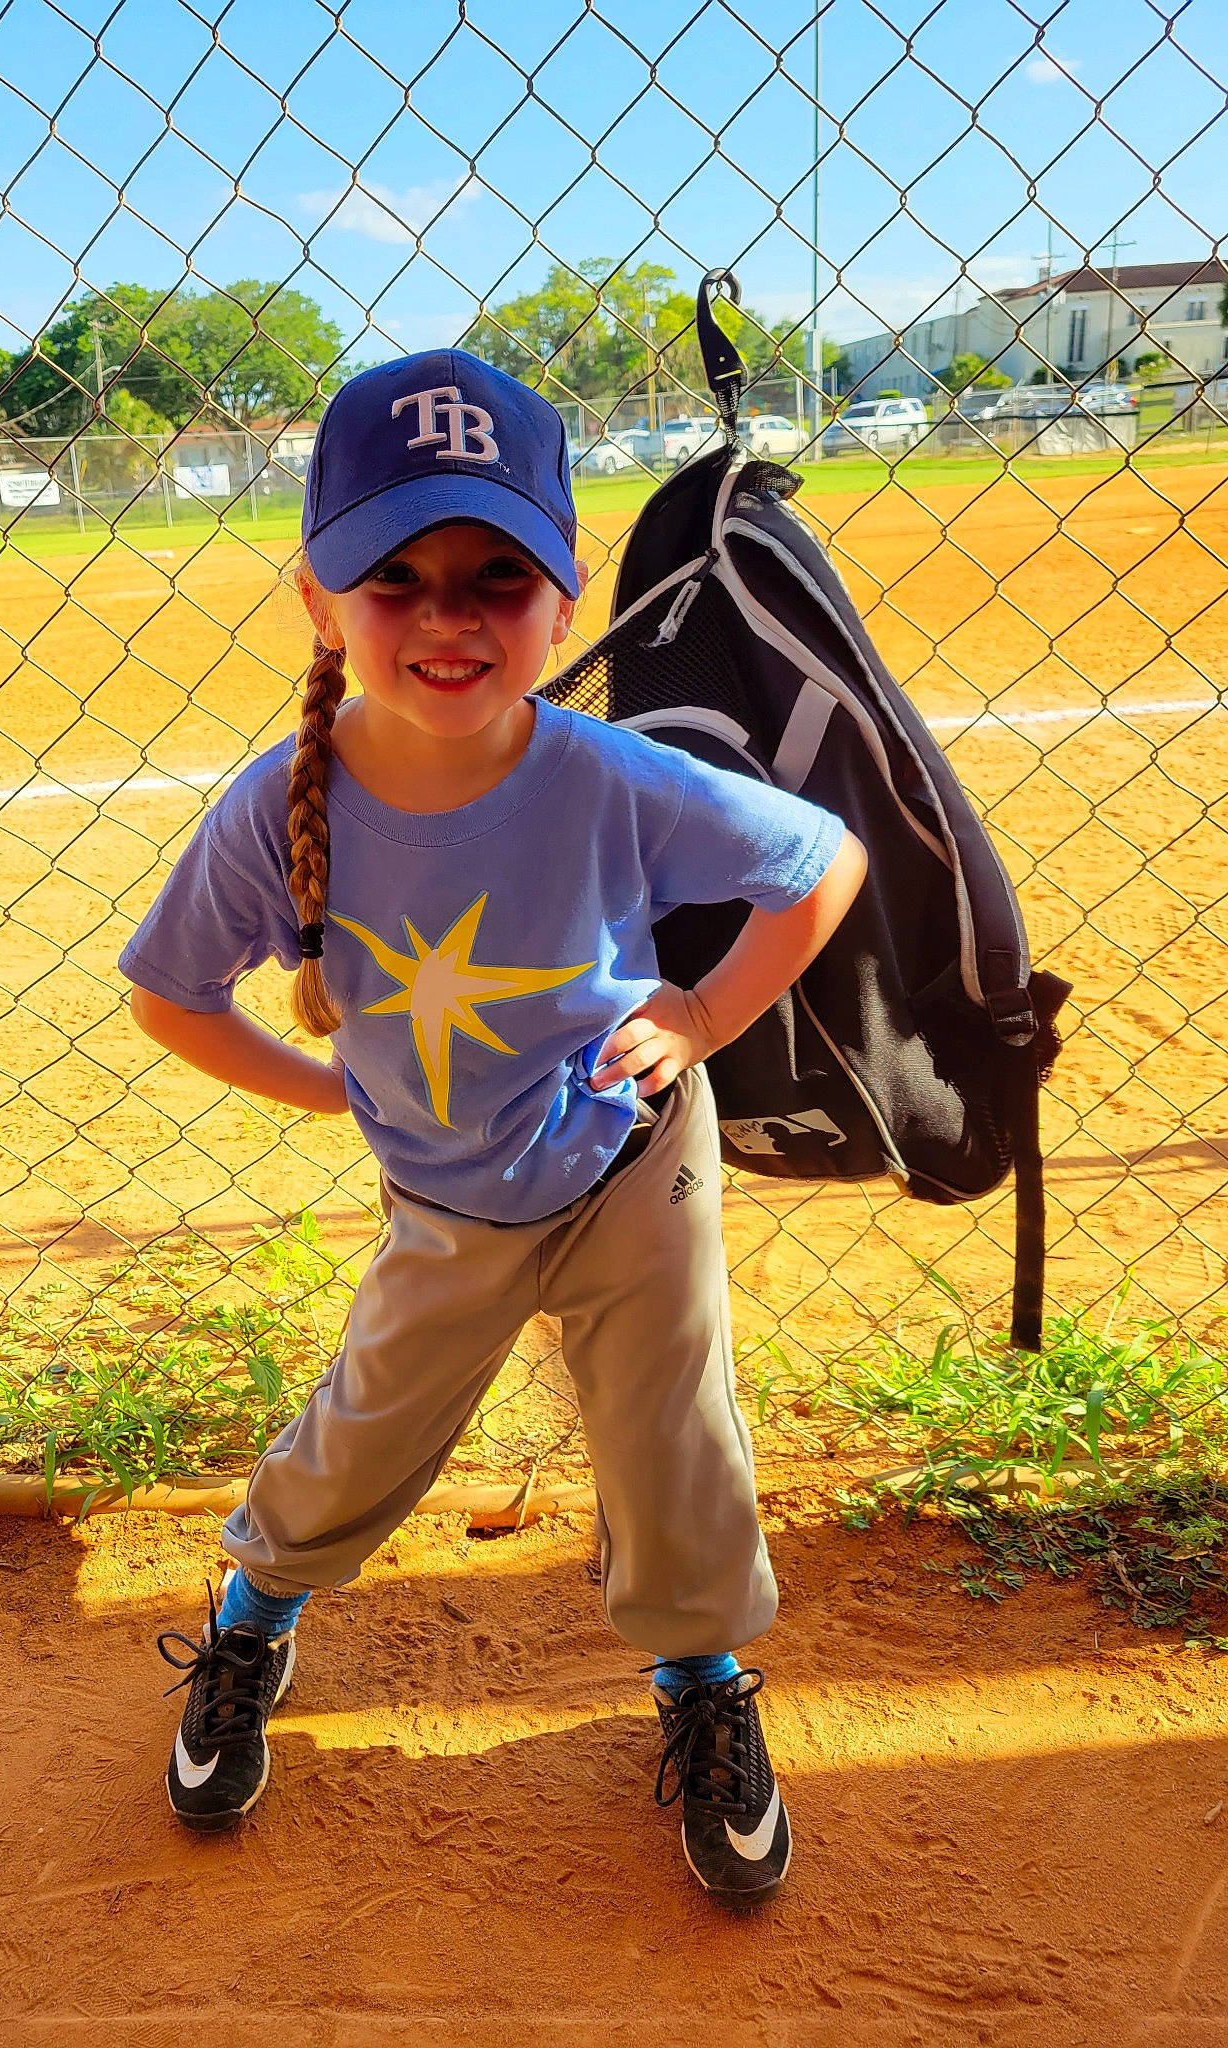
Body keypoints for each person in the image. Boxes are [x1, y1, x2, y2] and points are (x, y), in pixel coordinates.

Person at [122, 349, 866, 1907]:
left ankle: (701, 1678)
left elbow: (819, 864)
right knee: (368, 1429)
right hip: (451, 1195)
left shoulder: (610, 779)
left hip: (629, 1162)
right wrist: (338, 1089)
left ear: (564, 593)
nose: (451, 620)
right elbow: (173, 994)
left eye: (496, 575)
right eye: (395, 579)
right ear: (318, 602)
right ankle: (255, 1619)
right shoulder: (282, 808)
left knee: (673, 1439)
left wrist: (704, 1019)